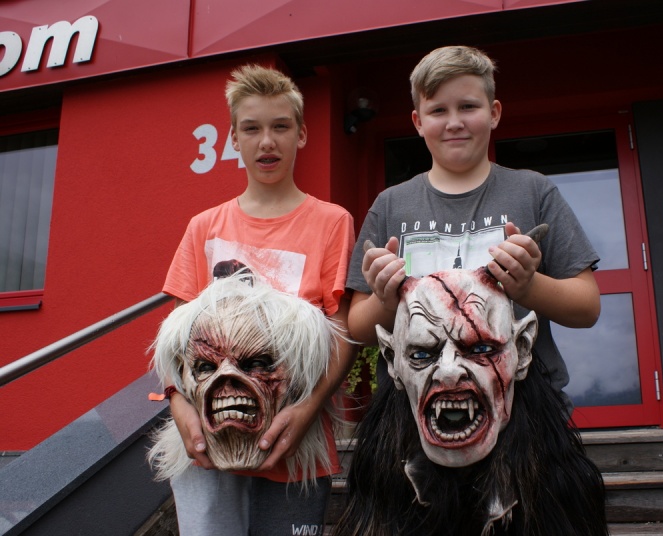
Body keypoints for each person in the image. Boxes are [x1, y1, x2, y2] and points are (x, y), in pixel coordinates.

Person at [346, 45, 601, 413]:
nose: (454, 122)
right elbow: (358, 327)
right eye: (438, 111)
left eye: (468, 106)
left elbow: (587, 307)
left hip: (528, 415)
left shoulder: (534, 191)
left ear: (494, 113)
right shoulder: (389, 205)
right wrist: (385, 301)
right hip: (416, 416)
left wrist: (528, 286)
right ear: (418, 122)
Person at [161, 64, 355, 535]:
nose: (267, 142)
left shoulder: (332, 222)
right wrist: (178, 405)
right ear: (234, 139)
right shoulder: (204, 227)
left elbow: (343, 332)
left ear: (301, 134)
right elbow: (175, 340)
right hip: (210, 446)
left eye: (280, 127)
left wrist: (307, 410)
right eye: (251, 129)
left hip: (297, 446)